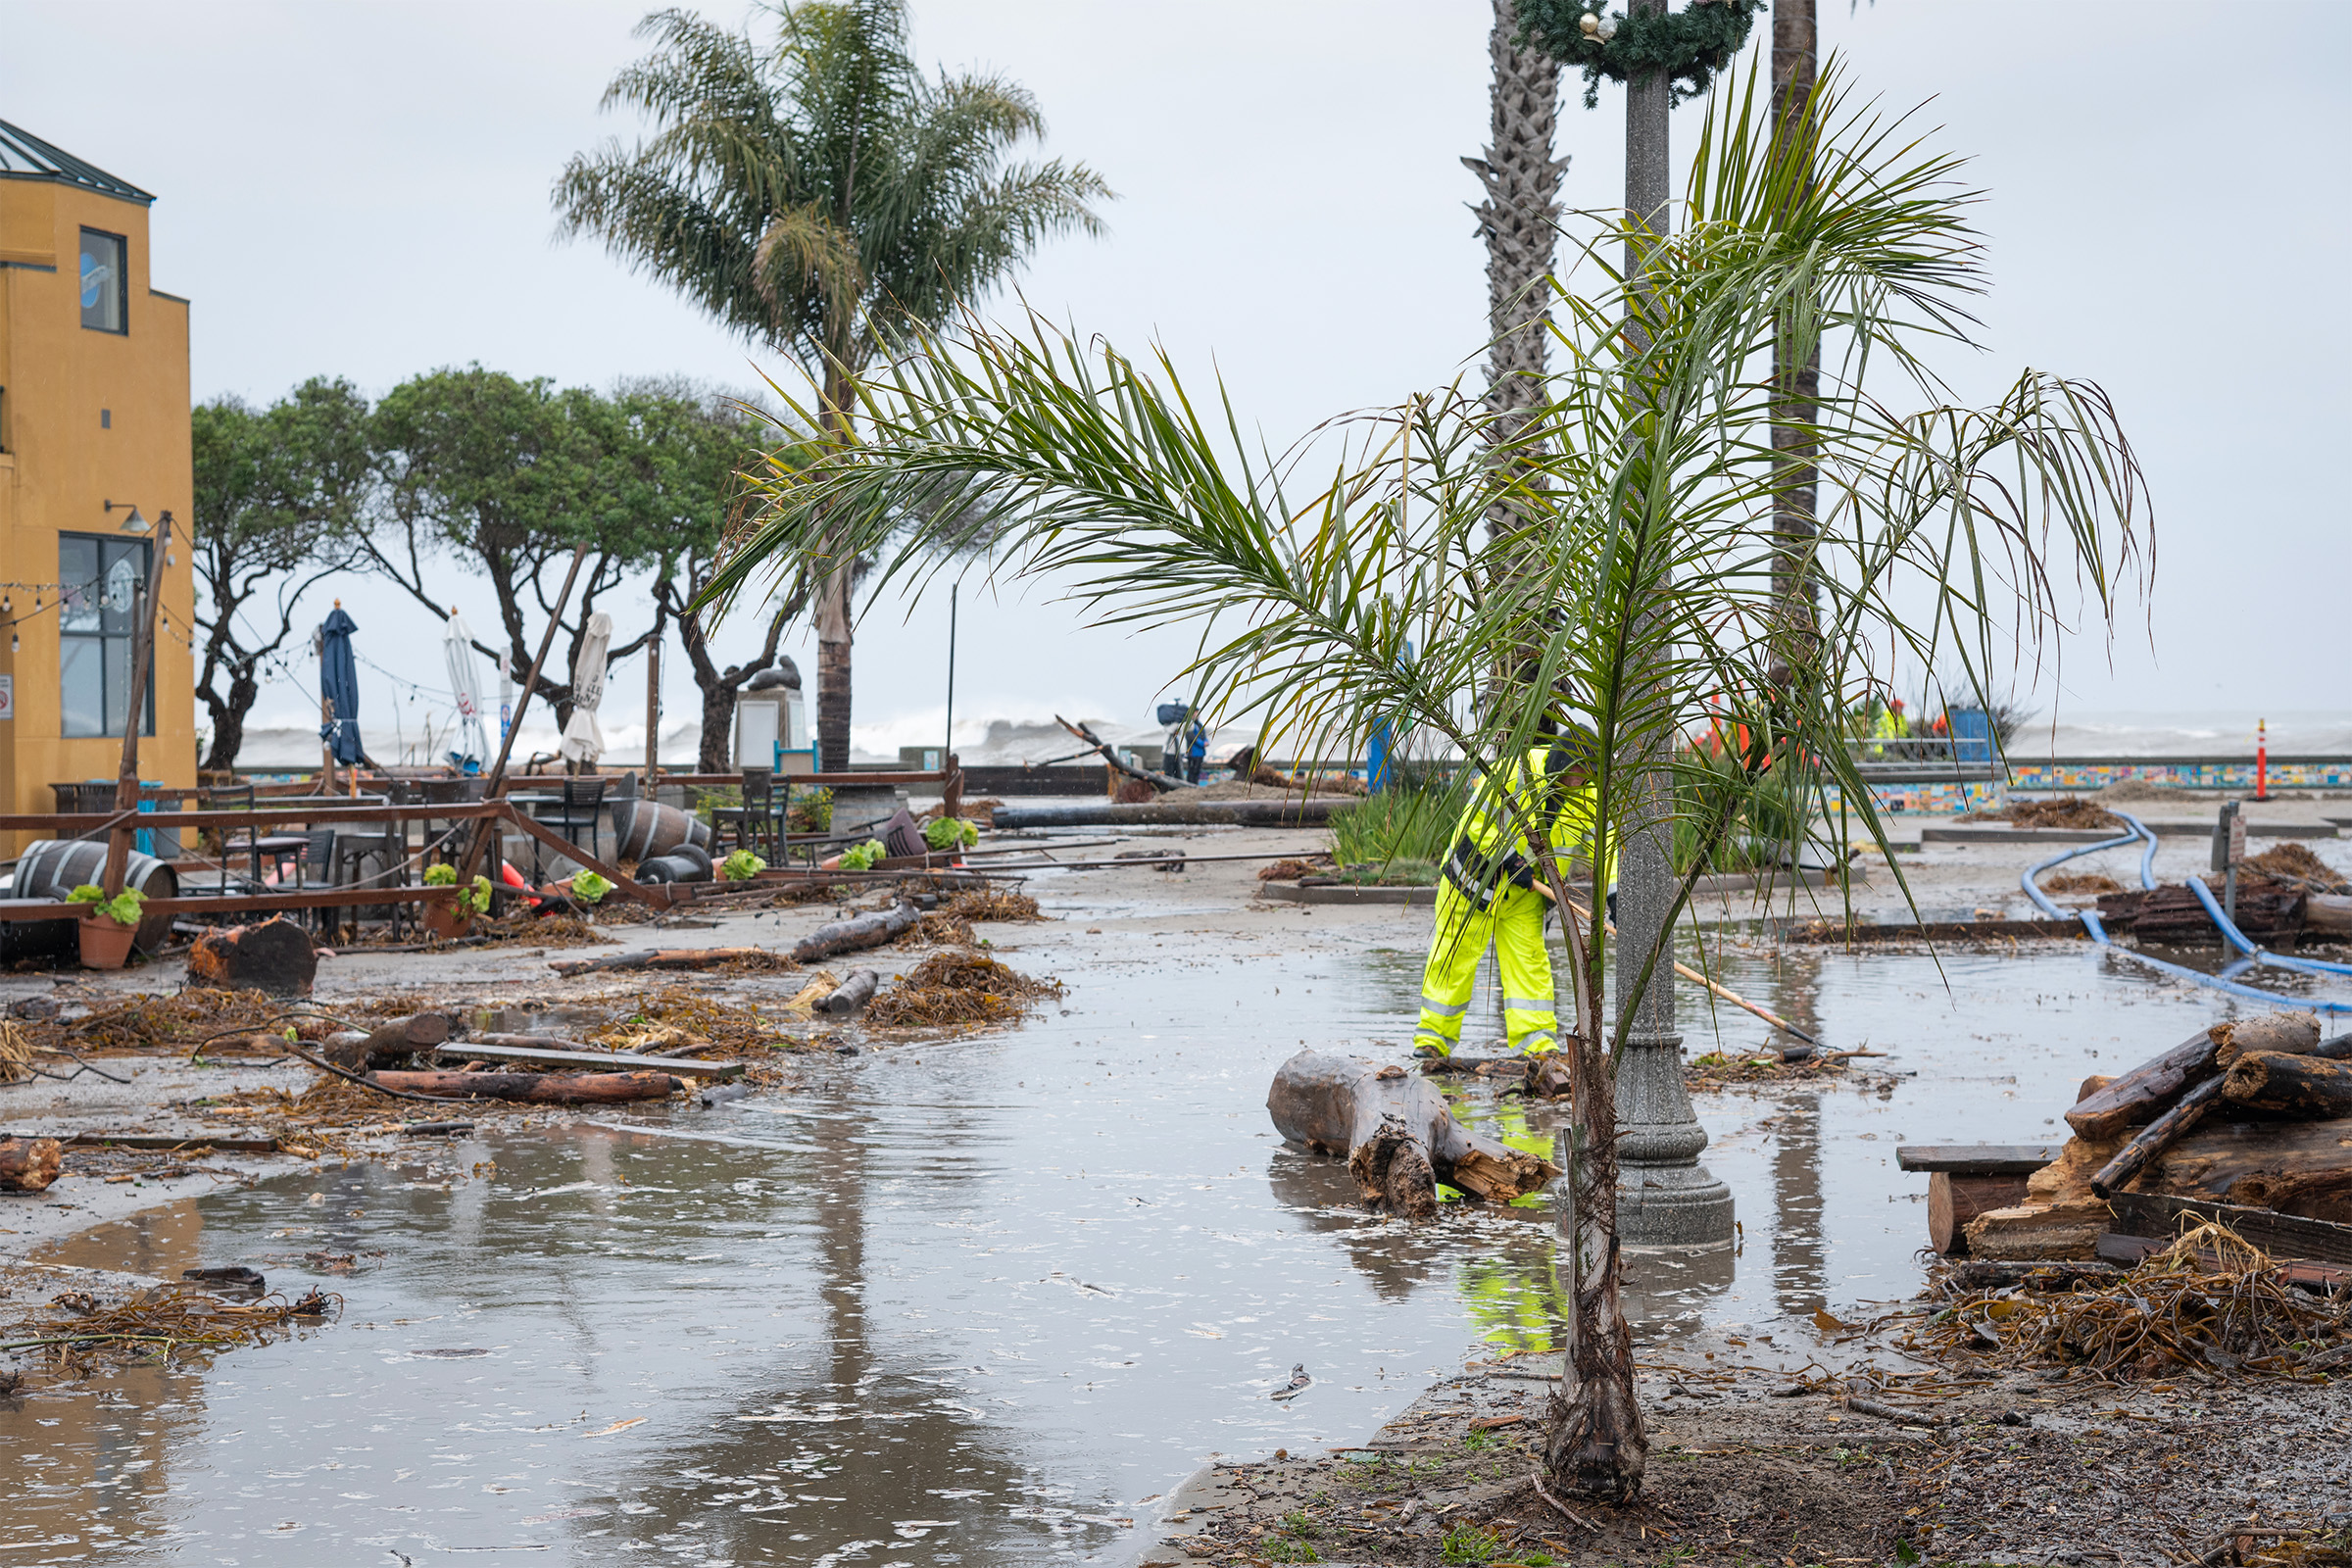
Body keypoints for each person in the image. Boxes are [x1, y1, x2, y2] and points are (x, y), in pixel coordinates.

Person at [1413, 726, 1610, 1059]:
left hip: (1525, 897)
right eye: (1576, 770)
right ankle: (1433, 1040)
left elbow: (1609, 847)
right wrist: (1508, 860)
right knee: (1453, 960)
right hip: (1472, 885)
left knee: (1529, 964)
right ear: (1562, 758)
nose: (1579, 780)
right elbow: (1477, 822)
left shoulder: (1587, 794)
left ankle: (1537, 1046)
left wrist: (1616, 894)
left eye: (1587, 773)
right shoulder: (1515, 771)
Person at [1186, 716, 1208, 784]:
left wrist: (1207, 742)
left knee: (1197, 770)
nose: (1197, 715)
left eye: (1198, 713)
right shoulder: (1189, 725)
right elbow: (1191, 737)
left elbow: (1203, 736)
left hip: (1200, 753)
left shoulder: (1199, 725)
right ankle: (1190, 785)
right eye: (1195, 713)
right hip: (1192, 753)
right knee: (1192, 771)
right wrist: (1202, 743)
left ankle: (1195, 785)